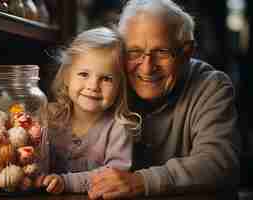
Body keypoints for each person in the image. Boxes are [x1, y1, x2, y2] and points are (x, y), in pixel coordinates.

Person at [88, 0, 241, 199]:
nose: (147, 67)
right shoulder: (109, 82)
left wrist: (141, 181)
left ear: (186, 52)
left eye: (161, 52)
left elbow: (219, 162)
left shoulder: (212, 85)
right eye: (134, 52)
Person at [36, 27, 142, 194]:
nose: (93, 86)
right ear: (67, 76)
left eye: (106, 78)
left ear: (120, 87)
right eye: (84, 74)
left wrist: (66, 182)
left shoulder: (119, 128)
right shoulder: (48, 115)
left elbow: (115, 176)